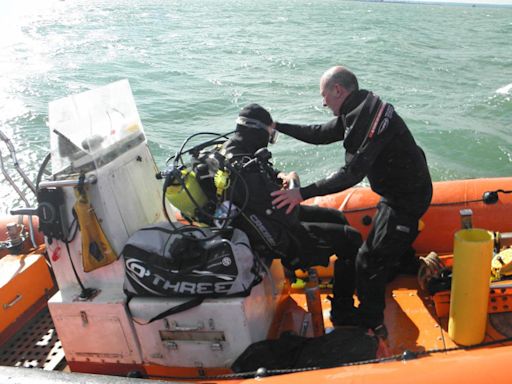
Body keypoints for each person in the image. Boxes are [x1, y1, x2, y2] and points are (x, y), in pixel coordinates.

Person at [270, 66, 433, 336]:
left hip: (408, 196)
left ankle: (371, 321)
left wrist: (301, 193)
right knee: (383, 237)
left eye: (325, 96)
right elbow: (320, 134)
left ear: (338, 90)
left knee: (367, 261)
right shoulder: (357, 109)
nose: (323, 103)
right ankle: (401, 262)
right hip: (397, 192)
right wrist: (279, 127)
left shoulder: (370, 120)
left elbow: (351, 174)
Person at [221, 103, 362, 325]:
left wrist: (281, 176)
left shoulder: (234, 150)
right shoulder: (244, 169)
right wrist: (295, 185)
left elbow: (264, 182)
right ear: (257, 132)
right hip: (275, 235)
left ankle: (340, 290)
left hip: (265, 221)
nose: (268, 141)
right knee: (351, 239)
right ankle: (343, 310)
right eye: (269, 135)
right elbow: (282, 214)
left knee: (337, 218)